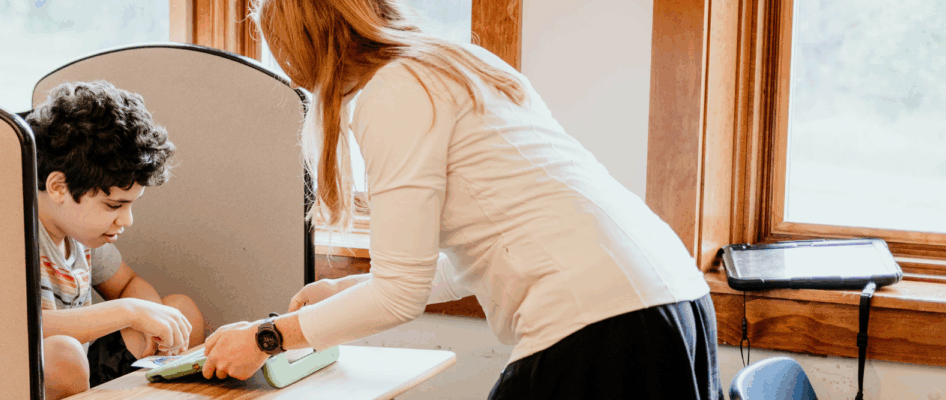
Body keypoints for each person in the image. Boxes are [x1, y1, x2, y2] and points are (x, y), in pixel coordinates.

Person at [200, 1, 721, 399]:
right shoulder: (456, 63)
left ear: (306, 42)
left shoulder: (393, 92)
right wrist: (346, 288)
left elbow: (397, 298)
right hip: (671, 300)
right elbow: (478, 255)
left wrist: (267, 338)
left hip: (601, 323)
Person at [27, 81, 206, 399]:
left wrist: (153, 321)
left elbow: (126, 284)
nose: (126, 221)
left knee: (181, 310)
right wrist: (130, 312)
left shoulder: (83, 234)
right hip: (50, 370)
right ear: (58, 188)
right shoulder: (18, 237)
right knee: (61, 354)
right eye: (114, 206)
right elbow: (26, 328)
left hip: (91, 363)